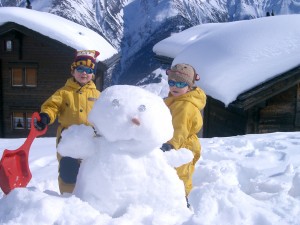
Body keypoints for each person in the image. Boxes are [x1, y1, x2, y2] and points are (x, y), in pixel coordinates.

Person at [36, 50, 101, 194]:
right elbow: (52, 106)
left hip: (92, 140)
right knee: (68, 171)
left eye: (88, 70)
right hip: (68, 138)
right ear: (73, 71)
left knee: (90, 171)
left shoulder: (98, 95)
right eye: (80, 69)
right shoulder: (64, 92)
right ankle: (67, 199)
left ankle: (88, 199)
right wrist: (46, 116)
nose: (84, 73)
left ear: (93, 74)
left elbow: (106, 114)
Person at [161, 63, 206, 206]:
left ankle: (182, 201)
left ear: (189, 86)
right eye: (172, 82)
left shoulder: (185, 105)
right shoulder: (176, 99)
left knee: (180, 174)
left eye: (180, 83)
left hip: (183, 145)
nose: (175, 87)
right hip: (177, 142)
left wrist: (170, 145)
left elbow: (180, 129)